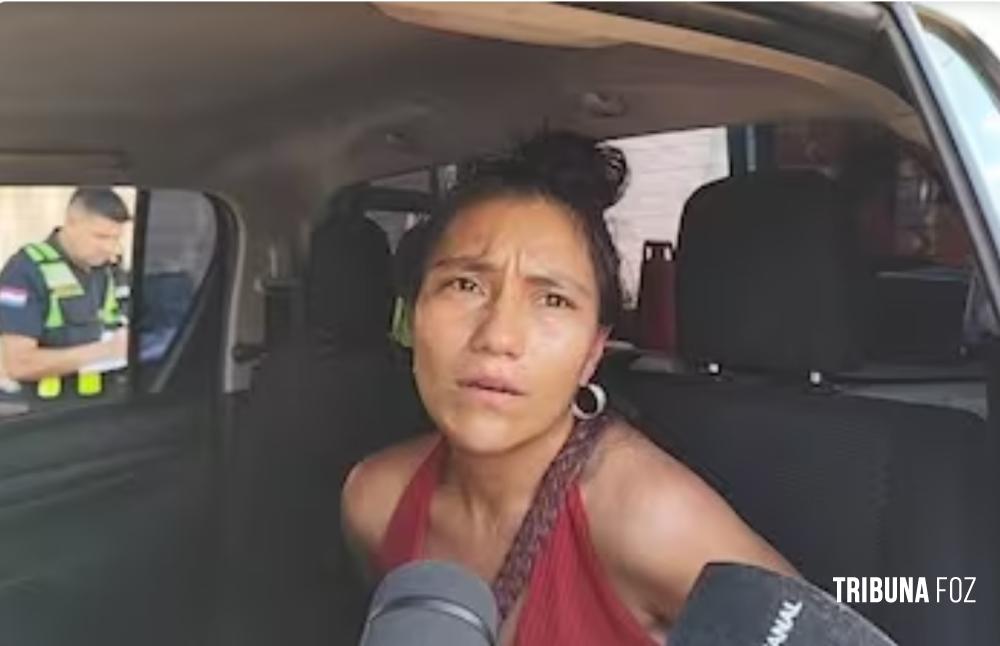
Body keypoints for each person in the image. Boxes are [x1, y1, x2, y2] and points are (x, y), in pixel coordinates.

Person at [340, 132, 795, 645]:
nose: (498, 337)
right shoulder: (375, 500)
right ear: (411, 316)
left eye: (552, 300)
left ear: (593, 352)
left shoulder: (650, 519)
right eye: (465, 285)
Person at [0, 187, 130, 400]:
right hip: (54, 410)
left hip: (111, 403)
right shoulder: (25, 270)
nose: (109, 247)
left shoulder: (110, 268)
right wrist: (106, 351)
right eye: (100, 236)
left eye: (116, 238)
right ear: (71, 222)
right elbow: (19, 364)